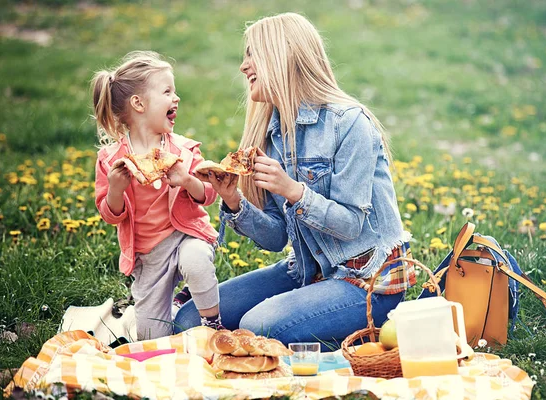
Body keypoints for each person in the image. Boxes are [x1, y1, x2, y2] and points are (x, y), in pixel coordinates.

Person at [174, 12, 415, 347]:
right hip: (307, 272)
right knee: (189, 319)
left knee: (258, 326)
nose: (244, 67)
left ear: (281, 57)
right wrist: (233, 201)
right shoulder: (272, 134)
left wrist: (293, 191)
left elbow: (350, 226)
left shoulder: (349, 124)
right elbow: (276, 237)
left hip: (368, 281)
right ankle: (300, 329)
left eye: (251, 55)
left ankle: (350, 336)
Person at [92, 51, 223, 340]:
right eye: (167, 91)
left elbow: (210, 193)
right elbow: (109, 213)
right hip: (148, 256)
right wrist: (115, 189)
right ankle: (178, 303)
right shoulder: (111, 159)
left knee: (196, 261)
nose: (176, 98)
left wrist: (187, 180)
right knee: (153, 340)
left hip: (186, 236)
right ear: (138, 103)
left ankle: (214, 325)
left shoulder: (183, 150)